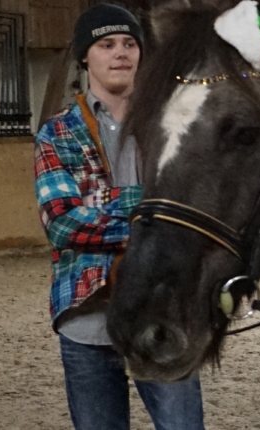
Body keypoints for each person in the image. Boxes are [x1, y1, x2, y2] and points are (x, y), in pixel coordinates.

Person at [36, 4, 206, 429]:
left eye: (130, 44)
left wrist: (108, 207)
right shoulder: (57, 132)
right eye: (107, 44)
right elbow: (62, 223)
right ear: (85, 57)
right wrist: (147, 208)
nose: (121, 53)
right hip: (87, 315)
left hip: (165, 309)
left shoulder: (173, 122)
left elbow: (194, 210)